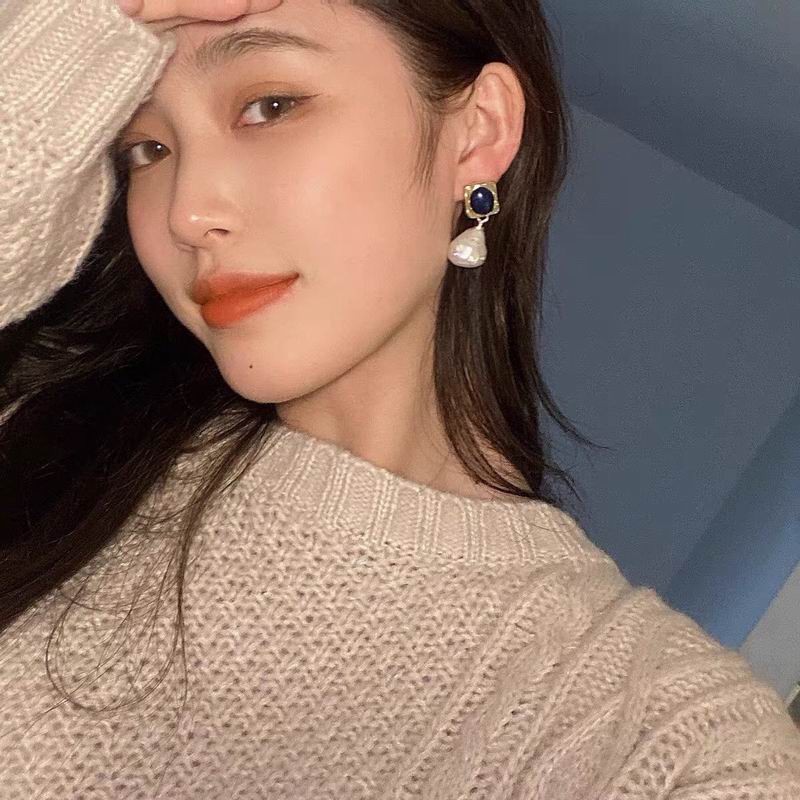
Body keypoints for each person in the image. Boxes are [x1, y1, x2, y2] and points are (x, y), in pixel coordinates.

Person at [1, 0, 798, 797]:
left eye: (269, 106)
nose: (187, 212)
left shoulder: (659, 736)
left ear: (478, 133)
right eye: (147, 148)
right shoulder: (49, 430)